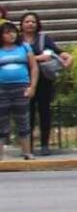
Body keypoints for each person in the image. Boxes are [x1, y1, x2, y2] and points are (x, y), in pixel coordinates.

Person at [20, 13, 64, 156]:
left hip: (44, 81)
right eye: (27, 21)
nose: (30, 24)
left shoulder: (44, 38)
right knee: (27, 114)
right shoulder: (18, 41)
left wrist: (67, 58)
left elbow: (54, 53)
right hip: (24, 80)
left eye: (33, 21)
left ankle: (45, 144)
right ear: (22, 24)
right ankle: (28, 146)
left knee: (45, 112)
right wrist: (38, 58)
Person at [0, 21, 33, 161]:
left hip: (21, 87)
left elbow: (34, 68)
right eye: (7, 32)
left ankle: (27, 152)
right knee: (2, 122)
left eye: (13, 31)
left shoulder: (24, 47)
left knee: (23, 120)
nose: (11, 35)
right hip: (2, 89)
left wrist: (32, 87)